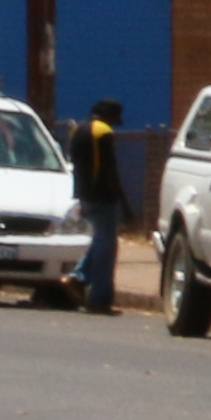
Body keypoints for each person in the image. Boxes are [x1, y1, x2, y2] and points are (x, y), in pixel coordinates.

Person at [71, 97, 131, 316]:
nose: (116, 121)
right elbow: (109, 169)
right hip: (103, 196)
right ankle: (98, 299)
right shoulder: (104, 132)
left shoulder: (79, 130)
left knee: (100, 241)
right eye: (115, 116)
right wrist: (123, 201)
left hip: (84, 195)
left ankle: (78, 277)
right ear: (108, 115)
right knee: (107, 249)